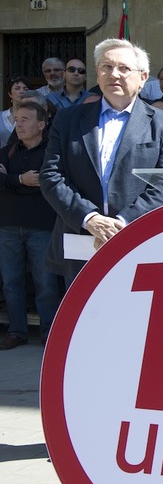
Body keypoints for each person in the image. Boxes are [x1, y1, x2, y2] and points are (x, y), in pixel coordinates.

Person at [39, 38, 163, 284]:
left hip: (138, 240)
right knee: (81, 319)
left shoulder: (162, 123)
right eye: (106, 67)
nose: (113, 74)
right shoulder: (68, 119)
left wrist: (122, 223)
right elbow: (51, 175)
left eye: (124, 68)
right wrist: (89, 218)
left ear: (143, 77)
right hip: (81, 241)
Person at [0, 101, 61, 349]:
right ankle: (17, 331)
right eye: (17, 119)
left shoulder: (52, 153)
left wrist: (9, 181)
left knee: (45, 283)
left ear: (41, 124)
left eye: (25, 119)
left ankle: (49, 332)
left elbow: (46, 184)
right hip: (8, 226)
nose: (19, 123)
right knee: (11, 283)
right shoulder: (7, 151)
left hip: (41, 226)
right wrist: (21, 180)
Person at [1, 77, 31, 146]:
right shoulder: (1, 116)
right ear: (9, 93)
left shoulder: (33, 117)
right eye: (17, 88)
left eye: (25, 89)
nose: (21, 91)